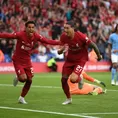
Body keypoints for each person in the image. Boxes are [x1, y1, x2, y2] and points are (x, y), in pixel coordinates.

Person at [0, 20, 60, 104]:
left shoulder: (36, 36)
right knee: (23, 78)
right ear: (26, 28)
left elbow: (47, 41)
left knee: (30, 80)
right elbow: (7, 35)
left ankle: (21, 98)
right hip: (18, 60)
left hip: (27, 60)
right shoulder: (20, 34)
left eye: (33, 27)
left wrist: (59, 42)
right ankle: (18, 76)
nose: (31, 29)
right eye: (29, 27)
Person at [58, 21, 102, 105]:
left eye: (67, 28)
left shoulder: (81, 36)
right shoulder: (63, 36)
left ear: (73, 29)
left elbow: (93, 45)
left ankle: (80, 79)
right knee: (63, 80)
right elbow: (60, 50)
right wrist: (60, 50)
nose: (65, 30)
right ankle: (68, 99)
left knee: (73, 79)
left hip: (80, 60)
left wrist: (99, 56)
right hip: (70, 60)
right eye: (64, 28)